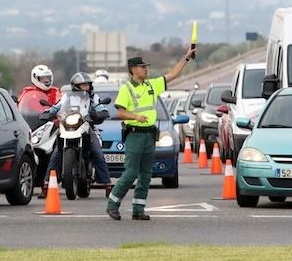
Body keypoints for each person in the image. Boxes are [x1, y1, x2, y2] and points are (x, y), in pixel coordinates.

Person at [106, 46, 196, 221]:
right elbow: (120, 113)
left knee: (146, 175)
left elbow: (172, 75)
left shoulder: (151, 85)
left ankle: (138, 209)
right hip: (135, 135)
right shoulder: (127, 89)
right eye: (143, 67)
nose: (146, 69)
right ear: (133, 70)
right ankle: (112, 204)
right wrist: (135, 116)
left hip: (149, 135)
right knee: (131, 173)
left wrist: (185, 58)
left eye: (146, 67)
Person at [38, 72, 112, 198]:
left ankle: (107, 185)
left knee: (97, 153)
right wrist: (48, 112)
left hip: (86, 128)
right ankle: (46, 185)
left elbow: (100, 107)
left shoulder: (92, 97)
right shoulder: (67, 97)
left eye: (87, 84)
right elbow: (56, 107)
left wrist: (102, 112)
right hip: (68, 128)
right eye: (83, 85)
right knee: (56, 154)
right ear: (76, 86)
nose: (86, 87)